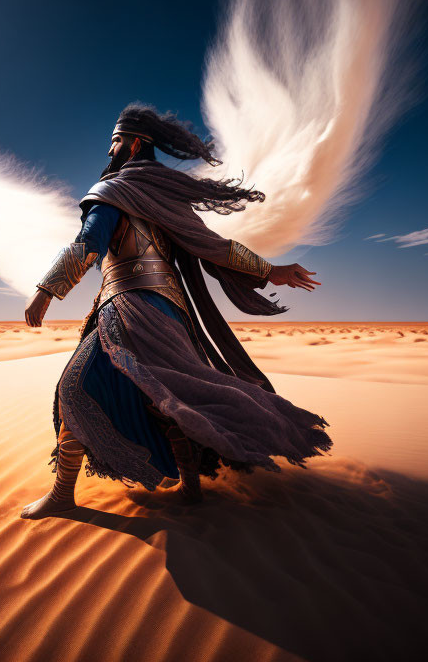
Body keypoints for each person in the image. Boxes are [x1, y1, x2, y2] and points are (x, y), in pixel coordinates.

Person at [20, 103, 330, 520]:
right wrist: (270, 270)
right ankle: (190, 488)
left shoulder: (113, 192)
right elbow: (218, 248)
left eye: (114, 142)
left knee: (76, 386)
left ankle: (62, 495)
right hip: (170, 312)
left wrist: (46, 290)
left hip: (128, 306)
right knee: (161, 393)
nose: (109, 151)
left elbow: (88, 244)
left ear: (133, 144)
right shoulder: (164, 199)